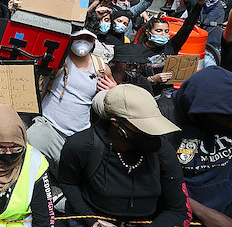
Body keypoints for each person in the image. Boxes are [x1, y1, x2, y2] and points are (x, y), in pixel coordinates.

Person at [59, 84, 190, 226]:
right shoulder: (82, 145)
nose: (151, 133)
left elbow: (177, 209)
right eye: (142, 127)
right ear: (117, 124)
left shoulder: (162, 150)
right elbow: (68, 183)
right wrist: (92, 220)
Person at [27, 29, 116, 176]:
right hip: (48, 127)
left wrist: (113, 89)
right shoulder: (57, 59)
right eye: (79, 37)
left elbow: (116, 96)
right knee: (29, 154)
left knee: (74, 178)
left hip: (79, 135)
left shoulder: (101, 67)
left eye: (87, 38)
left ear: (93, 40)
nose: (83, 41)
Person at [172, 67, 232, 225]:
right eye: (225, 118)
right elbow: (152, 182)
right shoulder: (166, 119)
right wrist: (203, 212)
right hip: (183, 212)